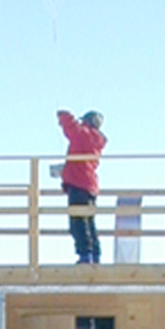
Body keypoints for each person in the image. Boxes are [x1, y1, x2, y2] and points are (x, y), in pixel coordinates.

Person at [56, 109, 106, 264]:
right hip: (89, 185)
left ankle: (85, 255)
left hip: (78, 183)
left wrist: (63, 115)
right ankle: (94, 254)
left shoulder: (84, 134)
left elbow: (71, 128)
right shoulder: (96, 140)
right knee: (88, 221)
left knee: (78, 222)